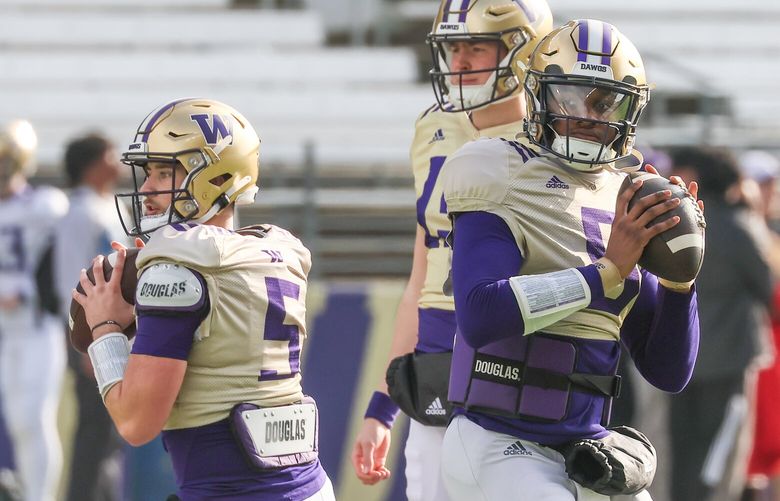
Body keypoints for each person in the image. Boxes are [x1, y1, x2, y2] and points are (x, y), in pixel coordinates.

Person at [439, 20, 703, 500]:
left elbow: (669, 372)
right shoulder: (499, 169)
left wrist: (680, 286)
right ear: (541, 95)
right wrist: (607, 273)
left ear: (631, 110)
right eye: (571, 96)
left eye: (605, 102)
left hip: (589, 449)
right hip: (500, 440)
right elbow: (479, 314)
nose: (587, 116)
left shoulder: (630, 193)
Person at [70, 98, 334, 501]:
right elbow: (219, 343)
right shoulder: (277, 250)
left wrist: (107, 327)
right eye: (147, 173)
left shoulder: (177, 266)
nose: (146, 188)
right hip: (310, 487)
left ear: (214, 176)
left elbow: (136, 423)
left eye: (163, 172)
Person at [351, 1, 552, 499]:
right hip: (439, 361)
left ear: (521, 52)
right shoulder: (432, 128)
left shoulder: (553, 140)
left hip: (522, 366)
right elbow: (421, 274)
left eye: (475, 47)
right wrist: (383, 406)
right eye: (452, 48)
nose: (458, 62)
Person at [666, 147, 774, 501]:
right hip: (729, 360)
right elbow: (769, 286)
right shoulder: (737, 225)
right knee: (722, 451)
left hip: (676, 358)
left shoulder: (672, 220)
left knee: (680, 451)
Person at [54, 133, 132, 501]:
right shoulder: (80, 211)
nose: (117, 161)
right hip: (91, 335)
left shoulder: (110, 206)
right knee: (94, 429)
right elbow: (69, 275)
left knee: (111, 433)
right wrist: (84, 343)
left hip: (114, 332)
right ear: (94, 163)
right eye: (110, 154)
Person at [0, 120, 68, 501]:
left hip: (37, 326)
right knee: (15, 419)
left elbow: (61, 264)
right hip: (6, 331)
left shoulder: (44, 206)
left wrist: (25, 291)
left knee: (33, 418)